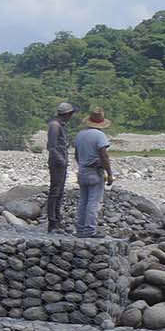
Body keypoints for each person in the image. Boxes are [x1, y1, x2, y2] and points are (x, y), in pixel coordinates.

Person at [73, 109, 114, 237]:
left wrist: (83, 165)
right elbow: (104, 156)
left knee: (83, 201)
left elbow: (76, 155)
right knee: (93, 202)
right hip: (95, 172)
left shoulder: (80, 135)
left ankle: (80, 229)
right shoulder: (99, 136)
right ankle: (90, 230)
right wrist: (109, 174)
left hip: (82, 171)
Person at [45, 102, 76, 233]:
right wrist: (61, 160)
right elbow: (51, 147)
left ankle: (57, 220)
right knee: (55, 192)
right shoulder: (55, 126)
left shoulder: (58, 125)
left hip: (60, 162)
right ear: (67, 114)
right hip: (57, 163)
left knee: (60, 192)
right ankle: (52, 222)